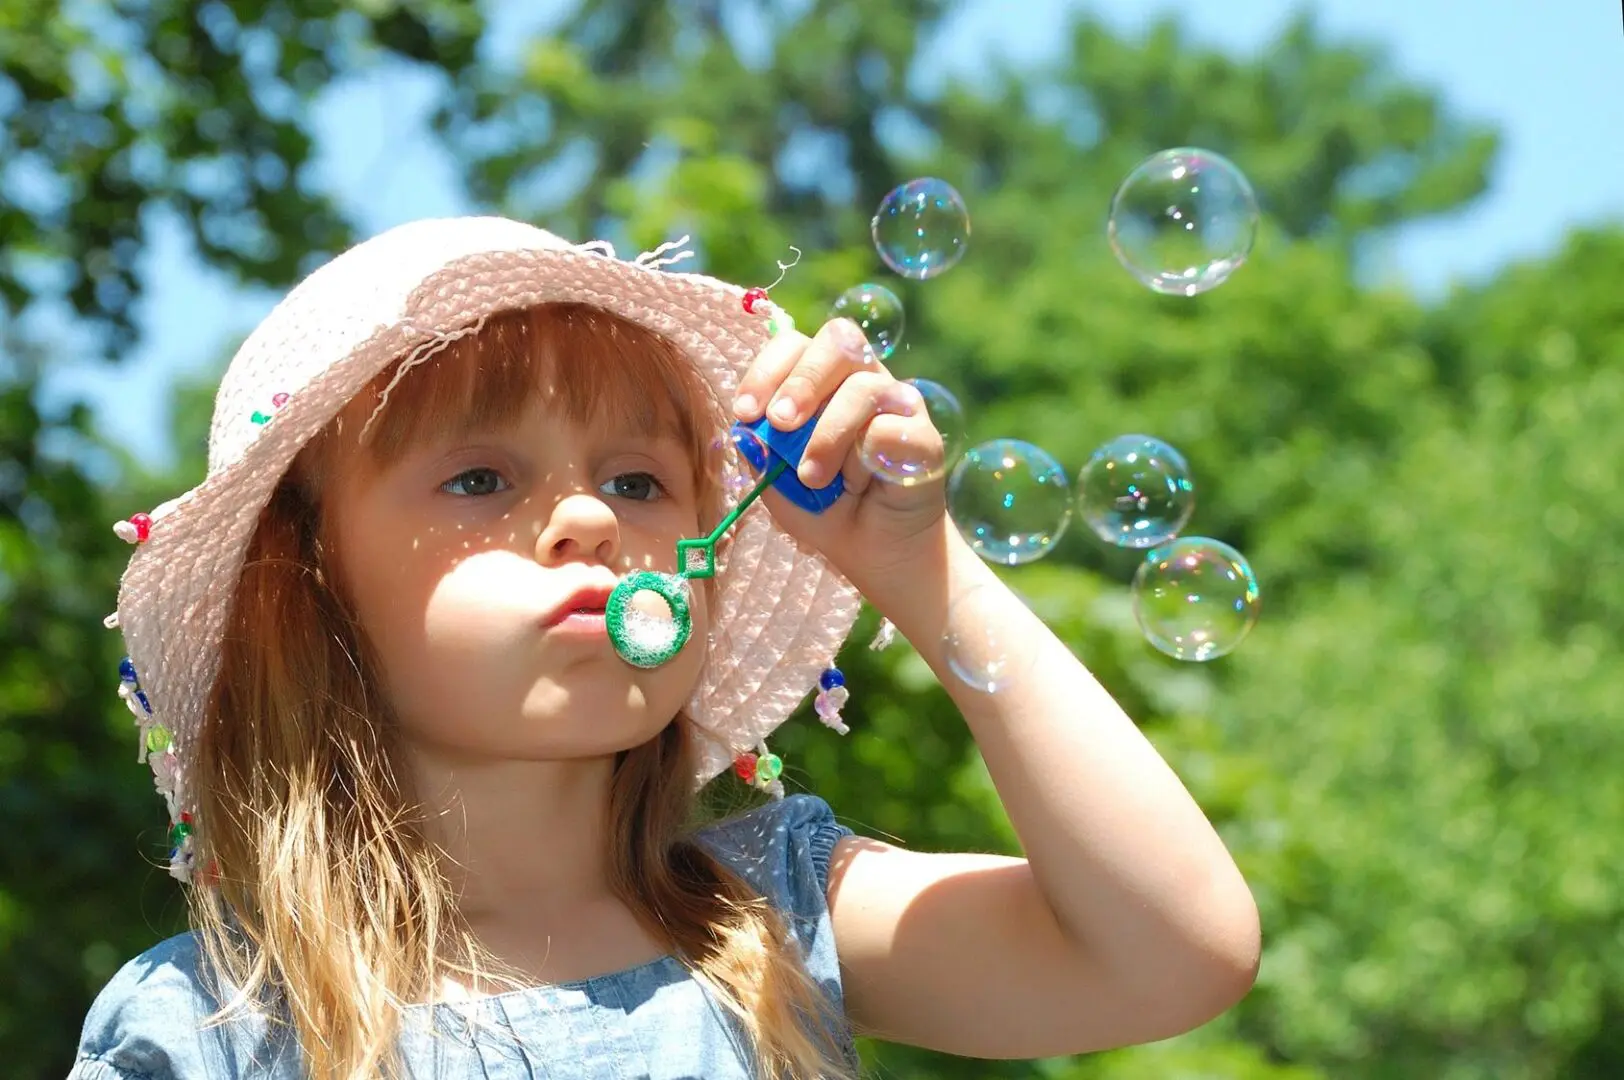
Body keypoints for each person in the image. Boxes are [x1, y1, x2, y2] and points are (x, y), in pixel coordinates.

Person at [70, 217, 1260, 1080]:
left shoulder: (773, 922)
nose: (589, 519)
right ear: (307, 591)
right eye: (481, 476)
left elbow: (1170, 956)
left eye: (639, 480)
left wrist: (920, 567)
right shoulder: (206, 1030)